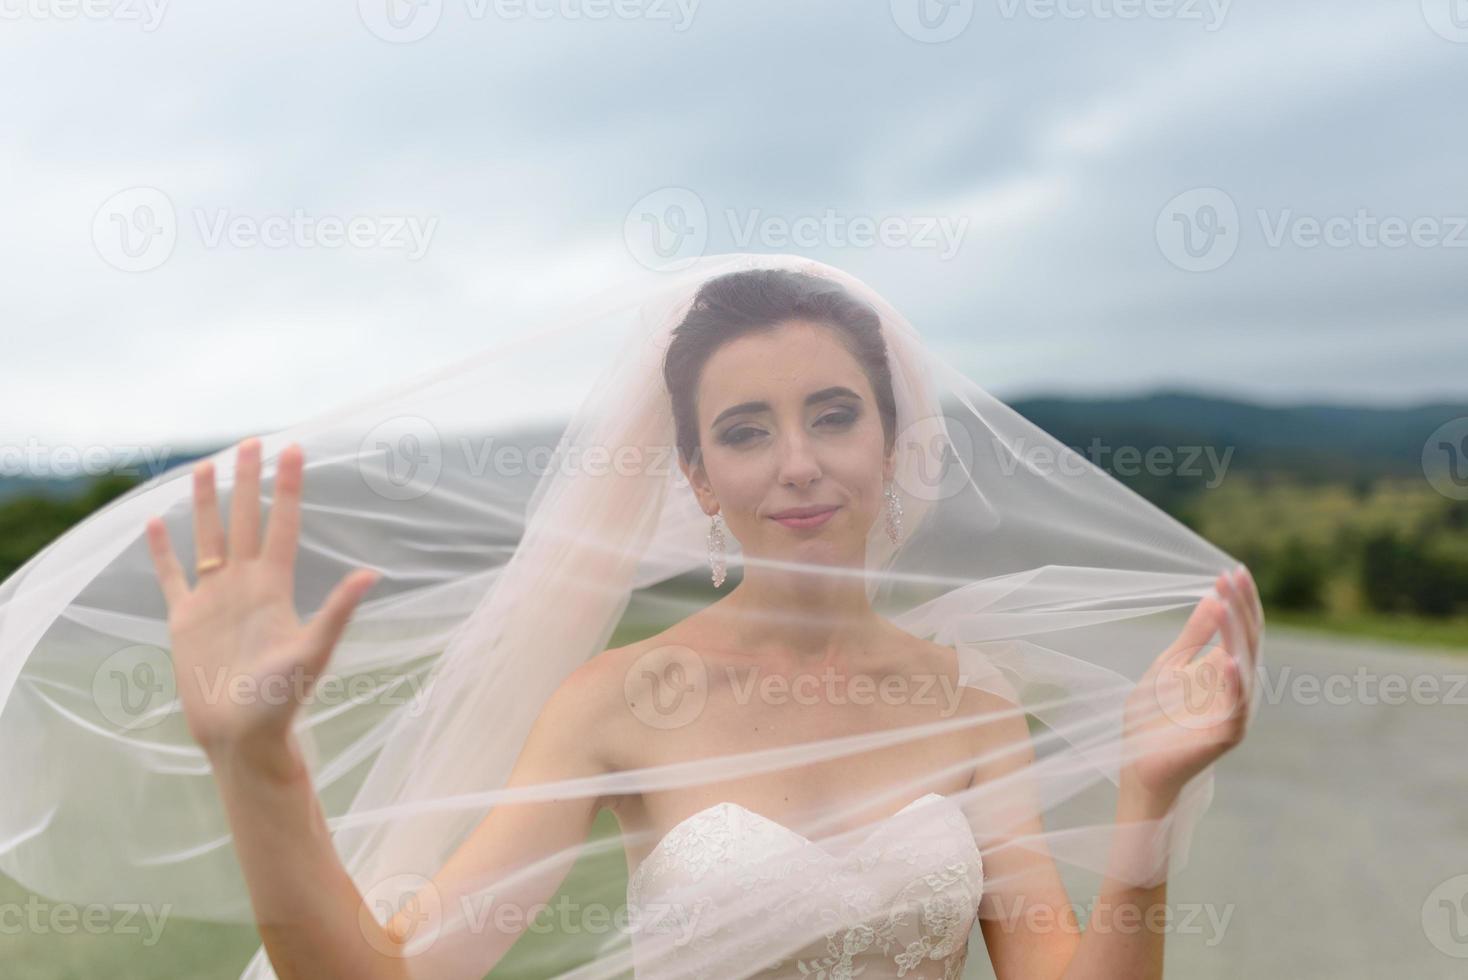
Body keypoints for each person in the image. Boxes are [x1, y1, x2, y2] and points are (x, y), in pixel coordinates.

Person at [0, 255, 1262, 979]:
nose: (798, 463)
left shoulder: (970, 697)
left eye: (833, 413)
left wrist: (1147, 802)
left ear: (892, 439)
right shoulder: (613, 700)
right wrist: (255, 763)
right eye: (745, 431)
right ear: (699, 481)